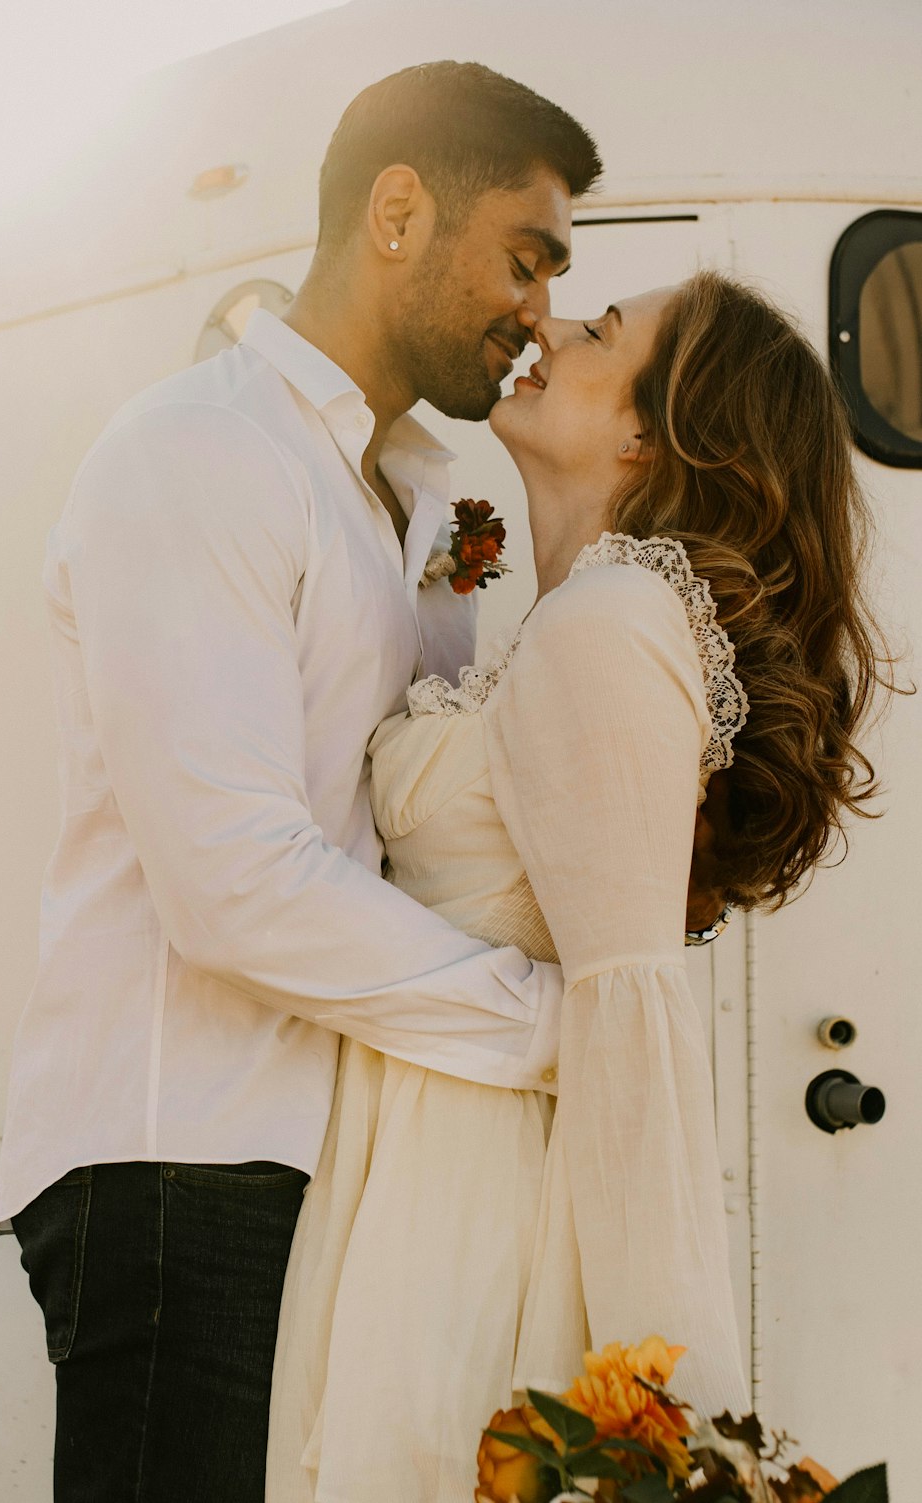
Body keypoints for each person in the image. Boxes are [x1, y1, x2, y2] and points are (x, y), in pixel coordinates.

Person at [0, 62, 610, 1503]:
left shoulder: (417, 495)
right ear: (399, 210)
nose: (538, 310)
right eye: (526, 259)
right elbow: (235, 883)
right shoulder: (198, 453)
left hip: (329, 1165)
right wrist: (548, 1029)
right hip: (179, 1166)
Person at [266, 271, 890, 1501]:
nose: (544, 327)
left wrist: (674, 1412)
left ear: (654, 431)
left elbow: (628, 1005)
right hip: (421, 1150)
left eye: (599, 333)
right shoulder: (575, 616)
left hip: (473, 1192)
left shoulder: (609, 622)